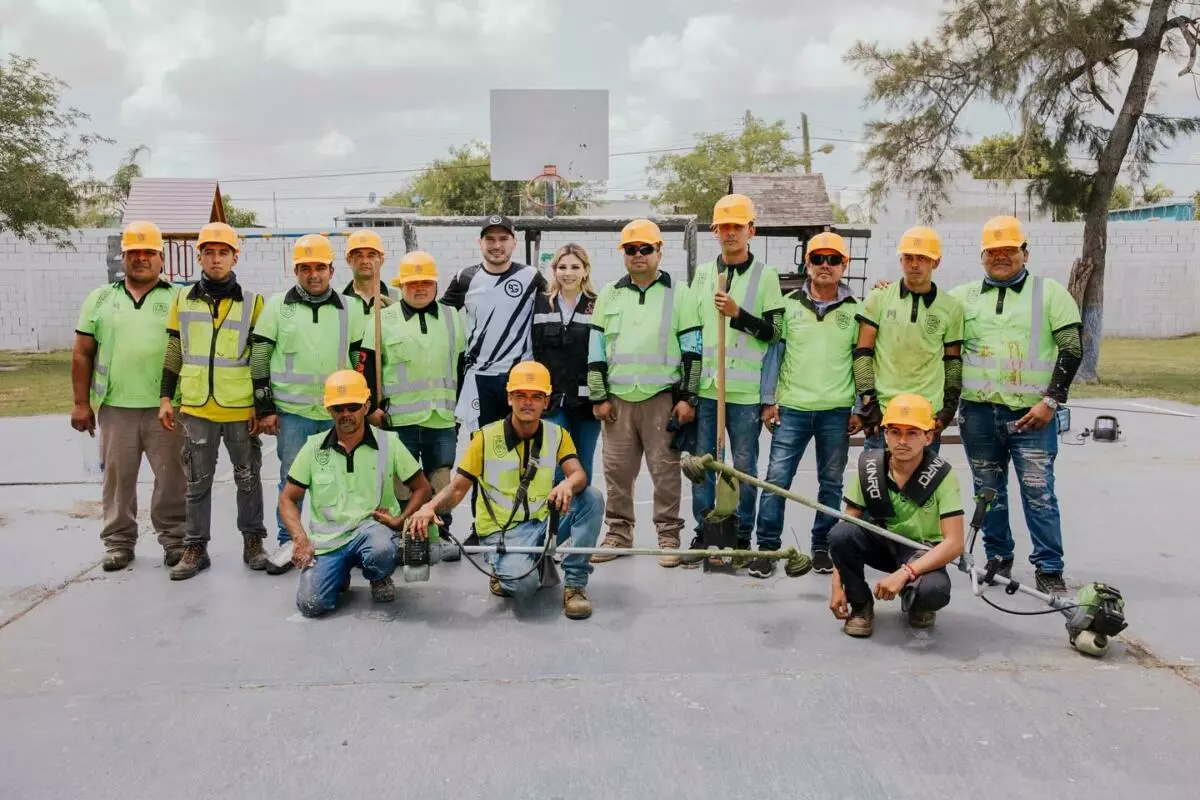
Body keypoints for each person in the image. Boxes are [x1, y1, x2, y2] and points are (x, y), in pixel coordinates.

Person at [407, 361, 603, 619]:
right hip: (503, 532)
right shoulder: (485, 438)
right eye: (521, 395)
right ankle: (507, 567)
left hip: (543, 523)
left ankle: (575, 585)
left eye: (536, 396)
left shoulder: (557, 435)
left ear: (546, 401)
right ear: (510, 398)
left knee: (591, 498)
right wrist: (428, 508)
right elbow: (457, 489)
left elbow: (578, 474)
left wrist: (567, 483)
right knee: (525, 587)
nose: (528, 403)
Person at [950, 216, 1082, 596]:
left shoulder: (1049, 293)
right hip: (977, 414)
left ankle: (1049, 567)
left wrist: (1051, 401)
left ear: (1025, 252)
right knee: (987, 491)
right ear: (982, 256)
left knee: (1039, 492)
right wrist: (885, 290)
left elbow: (1071, 349)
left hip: (1032, 416)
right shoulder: (961, 298)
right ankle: (998, 558)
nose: (1001, 257)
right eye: (993, 251)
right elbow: (926, 312)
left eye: (1009, 249)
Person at [71, 220, 186, 571]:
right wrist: (81, 403)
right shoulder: (101, 298)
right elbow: (82, 353)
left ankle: (175, 540)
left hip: (168, 407)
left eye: (148, 252)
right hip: (116, 408)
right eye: (133, 253)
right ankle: (119, 543)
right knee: (118, 480)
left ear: (161, 258)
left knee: (172, 478)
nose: (141, 258)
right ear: (122, 258)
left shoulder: (179, 298)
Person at [587, 220, 700, 567]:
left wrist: (688, 398)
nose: (638, 255)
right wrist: (598, 396)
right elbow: (596, 349)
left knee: (665, 472)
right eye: (631, 249)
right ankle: (618, 534)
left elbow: (693, 350)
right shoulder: (609, 293)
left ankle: (668, 536)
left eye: (645, 248)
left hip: (662, 399)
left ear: (659, 251)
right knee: (617, 472)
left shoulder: (680, 293)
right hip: (617, 401)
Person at [159, 222, 268, 580]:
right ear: (199, 257)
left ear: (235, 257)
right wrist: (165, 397)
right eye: (209, 253)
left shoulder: (253, 303)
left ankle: (253, 542)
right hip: (197, 408)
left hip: (240, 409)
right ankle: (195, 548)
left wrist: (260, 406)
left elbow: (260, 357)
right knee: (196, 482)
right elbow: (174, 349)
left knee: (248, 478)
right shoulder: (182, 299)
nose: (216, 259)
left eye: (223, 252)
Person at [250, 234, 363, 575]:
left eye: (320, 268)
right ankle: (289, 542)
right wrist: (265, 409)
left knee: (341, 478)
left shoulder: (350, 308)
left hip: (337, 413)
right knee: (292, 478)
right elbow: (260, 356)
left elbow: (357, 359)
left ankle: (339, 541)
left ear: (331, 270)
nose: (313, 275)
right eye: (305, 268)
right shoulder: (277, 306)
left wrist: (359, 406)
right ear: (295, 271)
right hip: (293, 413)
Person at [682, 193, 783, 564]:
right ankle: (704, 532)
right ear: (714, 231)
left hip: (744, 392)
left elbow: (775, 332)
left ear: (750, 231)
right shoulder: (703, 274)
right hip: (709, 388)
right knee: (703, 466)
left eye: (737, 227)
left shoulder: (766, 276)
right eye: (723, 227)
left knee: (743, 469)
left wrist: (739, 315)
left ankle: (740, 536)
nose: (730, 233)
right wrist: (689, 389)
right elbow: (693, 331)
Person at [281, 370, 431, 618]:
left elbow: (422, 487)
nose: (346, 414)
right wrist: (300, 538)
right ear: (329, 410)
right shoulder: (313, 448)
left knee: (382, 551)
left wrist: (400, 520)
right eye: (338, 408)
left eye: (353, 407)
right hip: (328, 542)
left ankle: (378, 576)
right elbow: (287, 498)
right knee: (310, 605)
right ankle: (338, 576)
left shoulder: (388, 443)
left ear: (366, 406)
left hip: (371, 532)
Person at [757, 232, 862, 578]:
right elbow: (774, 355)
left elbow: (861, 360)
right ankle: (767, 548)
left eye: (833, 260)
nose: (825, 265)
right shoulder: (788, 306)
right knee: (776, 480)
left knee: (831, 483)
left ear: (844, 265)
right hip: (792, 409)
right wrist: (768, 401)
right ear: (807, 263)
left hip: (836, 412)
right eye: (818, 259)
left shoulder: (857, 311)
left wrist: (858, 408)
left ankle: (822, 546)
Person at [828, 393, 965, 638]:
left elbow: (955, 543)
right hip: (881, 545)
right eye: (895, 432)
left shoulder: (942, 475)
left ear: (928, 437)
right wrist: (837, 585)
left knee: (934, 592)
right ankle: (860, 606)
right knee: (840, 533)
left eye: (912, 433)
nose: (902, 441)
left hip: (921, 551)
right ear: (885, 434)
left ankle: (917, 601)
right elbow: (846, 527)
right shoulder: (870, 468)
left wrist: (906, 573)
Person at [359, 250, 466, 562]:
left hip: (441, 418)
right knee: (403, 483)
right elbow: (366, 368)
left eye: (426, 283)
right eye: (413, 283)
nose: (420, 289)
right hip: (398, 419)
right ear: (401, 286)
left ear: (435, 285)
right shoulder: (382, 320)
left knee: (441, 479)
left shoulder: (452, 317)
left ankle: (441, 533)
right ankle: (407, 533)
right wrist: (371, 409)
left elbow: (461, 365)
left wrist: (459, 409)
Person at [854, 226, 964, 451]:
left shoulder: (951, 307)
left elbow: (952, 362)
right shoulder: (879, 297)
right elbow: (863, 353)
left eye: (922, 258)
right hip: (884, 414)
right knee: (877, 475)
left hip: (926, 417)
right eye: (908, 258)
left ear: (936, 262)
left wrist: (948, 409)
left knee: (923, 476)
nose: (914, 264)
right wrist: (869, 404)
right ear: (900, 260)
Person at [441, 214, 545, 432]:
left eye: (503, 239)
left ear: (514, 242)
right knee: (484, 444)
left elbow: (558, 303)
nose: (497, 245)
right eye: (490, 239)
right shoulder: (464, 278)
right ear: (480, 242)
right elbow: (437, 314)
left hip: (521, 376)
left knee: (520, 444)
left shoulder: (531, 277)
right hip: (480, 378)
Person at [531, 243, 600, 483]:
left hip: (587, 404)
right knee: (557, 468)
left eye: (575, 267)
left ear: (585, 270)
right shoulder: (541, 303)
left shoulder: (597, 305)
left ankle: (581, 510)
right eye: (562, 267)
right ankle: (557, 510)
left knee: (583, 468)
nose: (567, 273)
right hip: (551, 402)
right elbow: (533, 351)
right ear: (554, 270)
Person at [340, 229, 394, 322]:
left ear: (381, 261)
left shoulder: (397, 296)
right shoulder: (338, 298)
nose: (365, 261)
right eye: (359, 255)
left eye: (371, 255)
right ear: (349, 260)